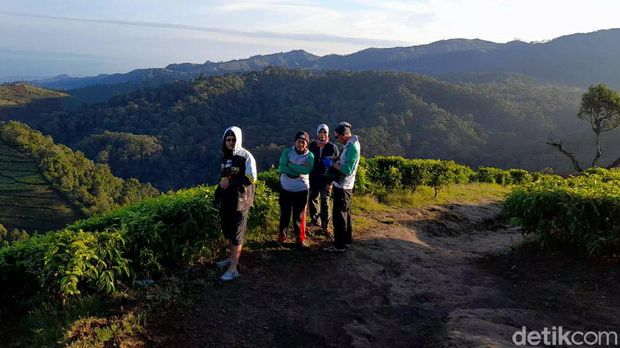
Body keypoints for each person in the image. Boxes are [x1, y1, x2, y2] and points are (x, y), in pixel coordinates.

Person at [214, 126, 257, 281]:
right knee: (229, 230)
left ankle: (233, 269)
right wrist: (218, 192)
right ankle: (232, 258)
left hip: (241, 201)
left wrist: (231, 181)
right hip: (228, 200)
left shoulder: (245, 156)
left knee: (237, 233)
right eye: (228, 139)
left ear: (238, 140)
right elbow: (223, 178)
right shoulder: (226, 157)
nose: (231, 142)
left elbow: (251, 178)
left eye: (233, 139)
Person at [325, 122, 361, 252]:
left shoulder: (352, 147)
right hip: (345, 185)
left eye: (337, 137)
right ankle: (346, 240)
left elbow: (348, 169)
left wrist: (332, 164)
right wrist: (335, 158)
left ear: (344, 135)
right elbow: (345, 161)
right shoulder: (349, 144)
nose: (337, 139)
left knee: (339, 215)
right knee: (346, 213)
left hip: (343, 186)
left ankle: (339, 245)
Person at [278, 131, 314, 249]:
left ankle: (299, 239)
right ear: (295, 142)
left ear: (307, 143)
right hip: (286, 188)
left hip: (301, 189)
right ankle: (282, 237)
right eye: (299, 141)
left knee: (299, 216)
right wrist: (299, 169)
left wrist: (291, 165)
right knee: (285, 214)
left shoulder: (310, 156)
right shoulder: (287, 152)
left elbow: (306, 171)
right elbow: (282, 168)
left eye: (303, 142)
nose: (301, 144)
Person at [308, 123, 339, 235]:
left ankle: (326, 225)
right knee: (312, 199)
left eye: (324, 132)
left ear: (327, 134)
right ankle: (315, 220)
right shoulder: (312, 146)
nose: (322, 134)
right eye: (320, 132)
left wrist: (330, 182)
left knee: (325, 202)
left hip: (326, 179)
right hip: (313, 179)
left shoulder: (332, 147)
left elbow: (336, 165)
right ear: (317, 133)